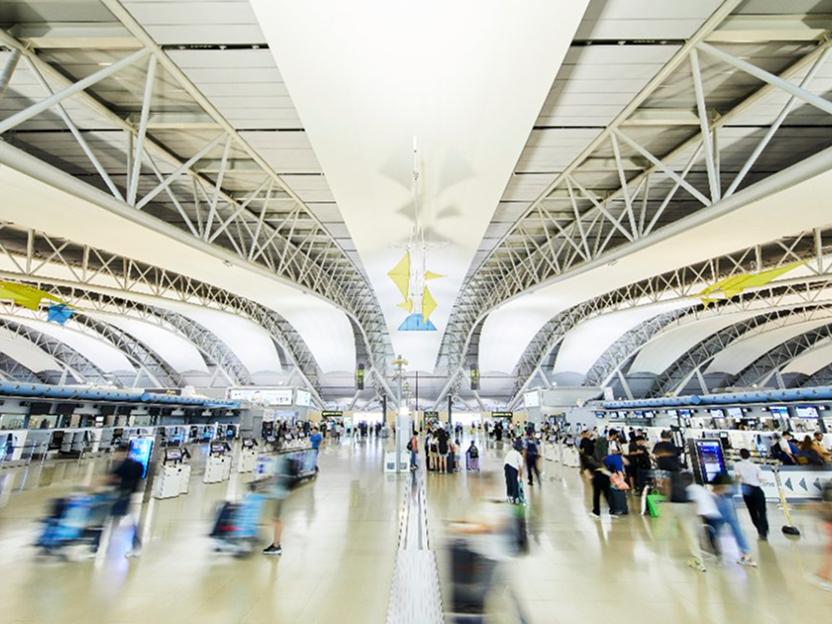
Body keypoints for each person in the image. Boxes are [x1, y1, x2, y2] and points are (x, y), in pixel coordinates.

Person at [711, 472, 757, 567]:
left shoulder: (721, 490)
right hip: (731, 510)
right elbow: (745, 490)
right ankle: (747, 554)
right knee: (737, 531)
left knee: (715, 532)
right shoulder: (731, 489)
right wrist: (736, 481)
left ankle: (718, 554)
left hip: (721, 510)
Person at [107, 448, 145, 557]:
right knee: (124, 520)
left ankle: (134, 546)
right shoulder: (138, 465)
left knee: (123, 521)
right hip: (132, 495)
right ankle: (132, 545)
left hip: (123, 496)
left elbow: (111, 478)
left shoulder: (123, 465)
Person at [734, 449, 769, 540]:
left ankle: (758, 528)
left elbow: (737, 477)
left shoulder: (737, 465)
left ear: (740, 456)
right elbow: (761, 478)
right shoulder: (755, 466)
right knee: (762, 511)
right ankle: (764, 530)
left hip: (746, 489)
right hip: (757, 489)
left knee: (752, 510)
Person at [262, 454, 292, 556]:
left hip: (278, 494)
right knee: (274, 518)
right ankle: (275, 544)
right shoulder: (283, 459)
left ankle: (276, 545)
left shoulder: (276, 461)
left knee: (275, 519)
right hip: (280, 493)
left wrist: (262, 485)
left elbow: (274, 478)